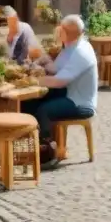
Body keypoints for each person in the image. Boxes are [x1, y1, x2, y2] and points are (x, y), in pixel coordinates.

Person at [26, 15, 98, 165]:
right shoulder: (71, 46)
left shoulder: (81, 51)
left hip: (79, 102)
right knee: (30, 103)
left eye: (60, 29)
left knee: (44, 110)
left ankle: (48, 152)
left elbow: (59, 81)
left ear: (66, 32)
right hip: (68, 93)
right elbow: (56, 69)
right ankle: (30, 147)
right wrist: (43, 62)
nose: (57, 31)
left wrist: (32, 81)